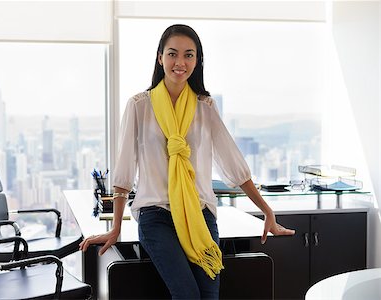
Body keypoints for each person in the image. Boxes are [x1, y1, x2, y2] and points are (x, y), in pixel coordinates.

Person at [80, 24, 295, 299]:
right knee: (187, 295)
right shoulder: (139, 106)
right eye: (172, 54)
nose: (180, 62)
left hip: (200, 214)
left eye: (189, 55)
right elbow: (124, 170)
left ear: (197, 60)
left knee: (209, 295)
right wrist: (117, 227)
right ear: (160, 58)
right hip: (155, 215)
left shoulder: (205, 107)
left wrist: (267, 210)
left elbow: (233, 163)